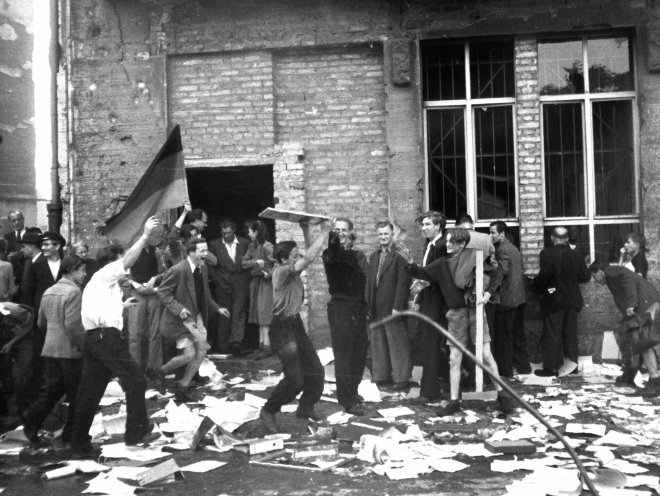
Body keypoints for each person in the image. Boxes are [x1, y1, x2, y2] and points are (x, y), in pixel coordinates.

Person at [70, 216, 161, 458]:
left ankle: (77, 442)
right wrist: (144, 235)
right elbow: (128, 259)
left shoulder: (99, 284)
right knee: (137, 381)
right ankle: (137, 432)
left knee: (90, 391)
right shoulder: (104, 274)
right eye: (122, 262)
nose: (127, 267)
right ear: (112, 263)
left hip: (95, 339)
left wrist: (122, 305)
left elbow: (95, 313)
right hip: (107, 340)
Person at [398, 228, 513, 416]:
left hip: (476, 312)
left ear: (462, 244)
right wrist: (410, 263)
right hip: (456, 314)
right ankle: (453, 401)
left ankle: (502, 395)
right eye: (448, 241)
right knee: (454, 358)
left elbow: (496, 274)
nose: (448, 244)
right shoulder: (442, 264)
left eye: (452, 242)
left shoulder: (476, 259)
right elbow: (422, 273)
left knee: (485, 354)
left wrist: (488, 293)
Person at [259, 219, 333, 432]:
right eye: (294, 256)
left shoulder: (289, 269)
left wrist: (305, 229)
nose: (298, 258)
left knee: (316, 372)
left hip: (295, 325)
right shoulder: (282, 272)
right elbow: (309, 257)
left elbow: (308, 256)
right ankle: (268, 410)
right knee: (295, 379)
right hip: (281, 329)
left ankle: (306, 408)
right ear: (283, 259)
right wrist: (324, 231)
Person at [21, 255, 86, 445]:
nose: (84, 274)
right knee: (76, 393)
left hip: (50, 348)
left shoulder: (49, 291)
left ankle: (31, 417)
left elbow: (41, 323)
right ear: (72, 270)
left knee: (52, 390)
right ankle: (71, 434)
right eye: (82, 270)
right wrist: (85, 348)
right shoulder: (74, 292)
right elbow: (73, 326)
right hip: (70, 350)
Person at [156, 237, 229, 402]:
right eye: (202, 251)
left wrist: (217, 308)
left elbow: (206, 295)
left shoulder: (202, 269)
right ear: (191, 252)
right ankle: (160, 373)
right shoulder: (178, 270)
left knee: (201, 351)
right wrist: (178, 308)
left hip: (195, 318)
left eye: (206, 250)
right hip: (180, 320)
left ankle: (183, 386)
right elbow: (162, 292)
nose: (206, 254)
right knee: (189, 354)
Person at [590, 258, 660, 397]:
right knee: (630, 338)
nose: (595, 281)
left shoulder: (610, 272)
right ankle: (630, 372)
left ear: (600, 271)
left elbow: (627, 279)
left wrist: (631, 304)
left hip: (644, 305)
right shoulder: (610, 275)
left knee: (643, 343)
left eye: (594, 276)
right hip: (646, 302)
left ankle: (654, 380)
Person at [322, 217, 369, 416]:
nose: (341, 232)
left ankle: (353, 391)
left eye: (344, 229)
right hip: (341, 308)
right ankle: (346, 400)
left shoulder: (358, 255)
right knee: (344, 355)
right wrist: (332, 241)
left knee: (359, 353)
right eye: (337, 230)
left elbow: (366, 277)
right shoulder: (330, 254)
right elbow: (336, 256)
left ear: (350, 232)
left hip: (358, 308)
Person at [533, 227, 591, 376]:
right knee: (570, 333)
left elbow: (545, 275)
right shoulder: (576, 254)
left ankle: (551, 368)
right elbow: (585, 276)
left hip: (554, 300)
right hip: (572, 300)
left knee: (552, 333)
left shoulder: (546, 253)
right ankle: (571, 368)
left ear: (553, 237)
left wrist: (535, 284)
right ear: (567, 238)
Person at [19, 231, 65, 412]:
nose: (43, 248)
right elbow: (27, 293)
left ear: (57, 246)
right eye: (42, 245)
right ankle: (37, 399)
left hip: (63, 315)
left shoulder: (66, 263)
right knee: (40, 357)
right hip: (42, 319)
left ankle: (60, 398)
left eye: (47, 245)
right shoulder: (34, 265)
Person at [365, 221, 412, 390]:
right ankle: (382, 375)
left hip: (392, 305)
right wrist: (369, 304)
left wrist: (398, 307)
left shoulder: (399, 255)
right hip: (376, 305)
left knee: (397, 342)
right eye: (380, 234)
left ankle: (401, 378)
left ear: (392, 234)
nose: (383, 237)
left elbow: (403, 282)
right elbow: (370, 283)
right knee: (378, 341)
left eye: (386, 234)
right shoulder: (374, 256)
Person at [410, 211, 449, 403]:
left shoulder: (441, 247)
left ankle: (430, 392)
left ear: (438, 227)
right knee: (430, 346)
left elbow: (433, 274)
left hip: (437, 304)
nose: (423, 228)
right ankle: (440, 385)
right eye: (423, 225)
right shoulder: (431, 245)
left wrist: (413, 268)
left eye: (427, 225)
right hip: (429, 301)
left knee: (431, 346)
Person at [489, 221, 531, 377]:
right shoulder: (513, 247)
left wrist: (489, 290)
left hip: (507, 301)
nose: (490, 235)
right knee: (518, 335)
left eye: (493, 232)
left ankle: (505, 371)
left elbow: (501, 272)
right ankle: (524, 368)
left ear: (502, 234)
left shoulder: (501, 250)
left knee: (504, 338)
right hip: (519, 299)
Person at [126, 223, 166, 375]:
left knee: (155, 332)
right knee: (135, 333)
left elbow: (165, 272)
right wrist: (134, 284)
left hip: (153, 293)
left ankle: (154, 368)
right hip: (136, 293)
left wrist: (155, 279)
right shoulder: (130, 251)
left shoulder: (157, 252)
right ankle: (135, 369)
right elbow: (122, 274)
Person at [208, 219, 250, 355]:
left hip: (240, 282)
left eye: (229, 232)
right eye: (223, 232)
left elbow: (248, 262)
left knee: (239, 311)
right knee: (224, 313)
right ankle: (223, 345)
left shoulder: (244, 243)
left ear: (234, 231)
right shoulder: (214, 244)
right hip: (222, 283)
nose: (226, 235)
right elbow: (210, 265)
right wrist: (217, 279)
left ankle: (237, 343)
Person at [241, 220, 275, 359]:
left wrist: (269, 274)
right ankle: (261, 346)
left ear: (257, 232)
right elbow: (243, 263)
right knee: (259, 315)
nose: (248, 233)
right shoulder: (252, 246)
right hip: (255, 283)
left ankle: (267, 348)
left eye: (250, 231)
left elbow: (278, 264)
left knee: (264, 315)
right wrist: (255, 262)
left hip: (266, 284)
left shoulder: (268, 247)